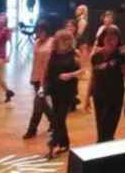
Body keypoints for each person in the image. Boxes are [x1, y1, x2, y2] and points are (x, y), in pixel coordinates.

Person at [85, 27, 125, 142]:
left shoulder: (122, 57)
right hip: (99, 96)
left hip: (115, 96)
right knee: (101, 130)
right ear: (103, 39)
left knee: (109, 130)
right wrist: (87, 98)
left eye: (114, 39)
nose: (111, 41)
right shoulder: (96, 57)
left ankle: (105, 147)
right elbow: (93, 78)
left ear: (118, 40)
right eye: (108, 38)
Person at [44, 30, 83, 159]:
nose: (66, 42)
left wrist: (70, 75)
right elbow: (48, 71)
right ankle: (64, 143)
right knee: (58, 118)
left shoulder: (75, 53)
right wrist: (43, 86)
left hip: (67, 91)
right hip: (54, 89)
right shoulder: (53, 53)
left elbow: (82, 71)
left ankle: (54, 144)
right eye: (63, 40)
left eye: (68, 40)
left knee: (59, 119)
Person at [23, 22, 55, 139]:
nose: (39, 33)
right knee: (42, 104)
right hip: (37, 77)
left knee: (38, 103)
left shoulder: (53, 42)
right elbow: (35, 61)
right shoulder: (36, 42)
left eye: (41, 31)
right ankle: (54, 122)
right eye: (37, 31)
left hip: (47, 78)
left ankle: (32, 129)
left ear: (46, 31)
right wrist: (33, 77)